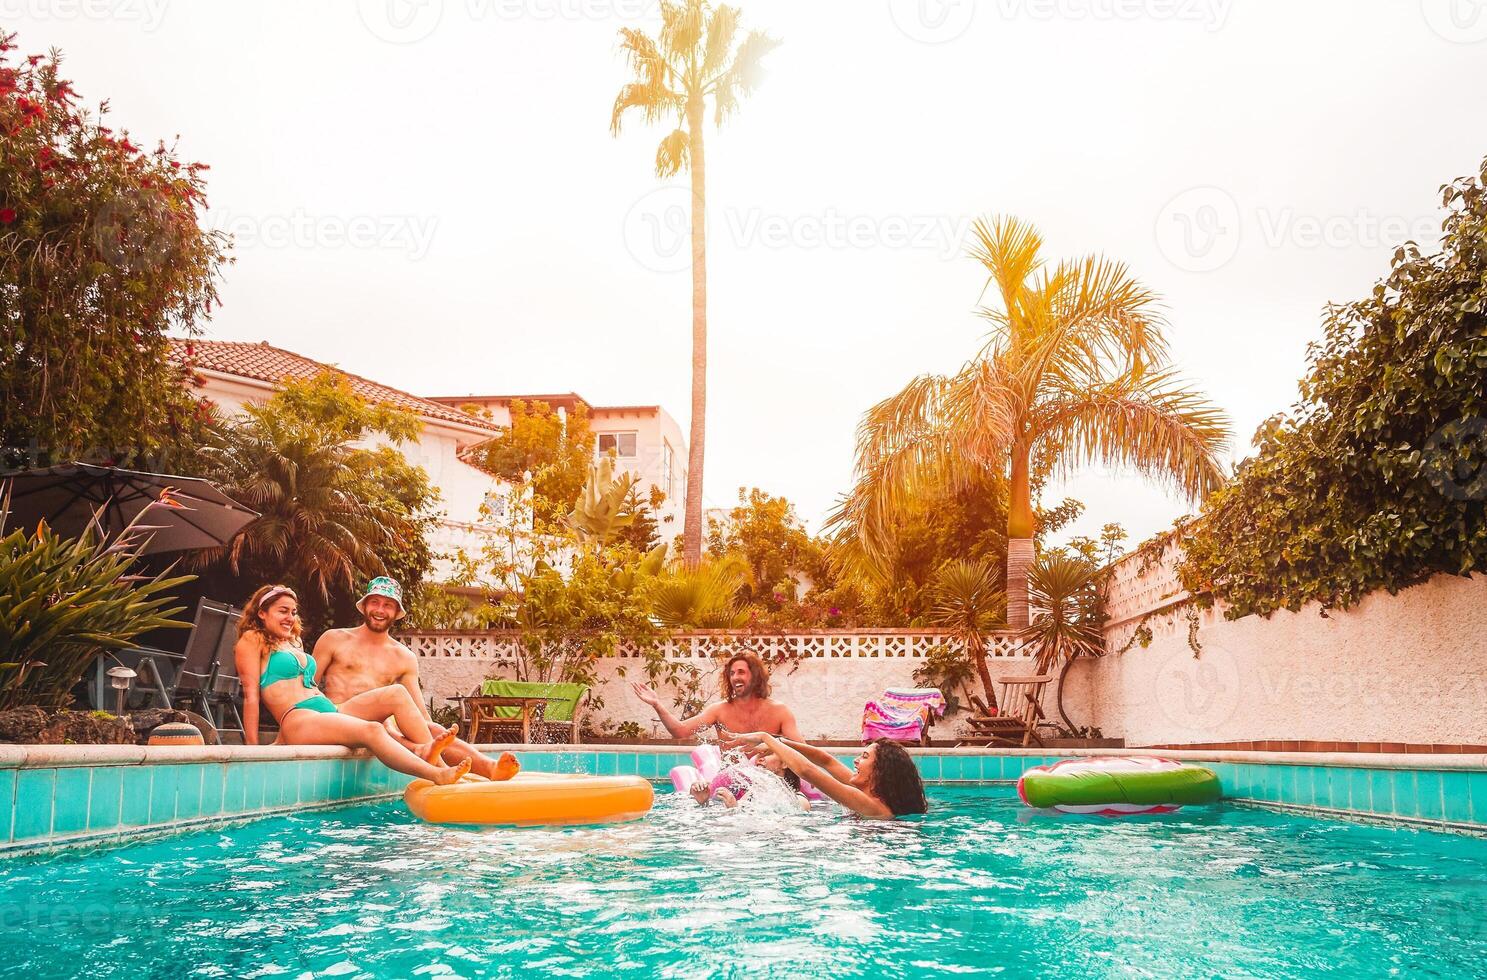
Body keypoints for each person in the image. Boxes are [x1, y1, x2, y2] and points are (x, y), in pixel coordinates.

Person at [233, 583, 470, 786]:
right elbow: (251, 696)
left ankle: (438, 763)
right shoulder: (252, 639)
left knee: (396, 694)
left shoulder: (291, 642)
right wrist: (253, 749)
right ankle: (436, 775)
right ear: (262, 613)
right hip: (299, 719)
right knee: (373, 730)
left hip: (328, 710)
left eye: (293, 612)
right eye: (282, 611)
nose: (290, 618)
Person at [313, 576, 519, 781]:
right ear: (365, 605)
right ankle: (440, 770)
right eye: (374, 602)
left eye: (388, 605)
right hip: (338, 718)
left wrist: (435, 733)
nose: (379, 610)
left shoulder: (404, 657)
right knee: (394, 702)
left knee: (433, 729)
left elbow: (419, 714)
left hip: (379, 726)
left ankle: (489, 768)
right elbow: (307, 686)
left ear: (396, 613)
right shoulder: (334, 639)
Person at [723, 732, 927, 820]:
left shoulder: (872, 805)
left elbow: (807, 771)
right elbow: (826, 760)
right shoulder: (865, 792)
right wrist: (780, 742)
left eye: (864, 757)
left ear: (880, 771)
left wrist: (765, 737)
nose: (856, 761)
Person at [631, 652, 802, 741]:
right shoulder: (719, 711)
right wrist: (657, 704)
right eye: (732, 673)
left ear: (756, 676)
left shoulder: (779, 712)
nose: (735, 677)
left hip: (766, 783)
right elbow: (681, 732)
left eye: (741, 672)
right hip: (731, 783)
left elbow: (801, 749)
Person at [688, 752, 810, 811]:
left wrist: (735, 809)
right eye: (759, 754)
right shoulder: (753, 792)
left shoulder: (799, 799)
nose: (760, 758)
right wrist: (703, 803)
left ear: (784, 763)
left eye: (767, 753)